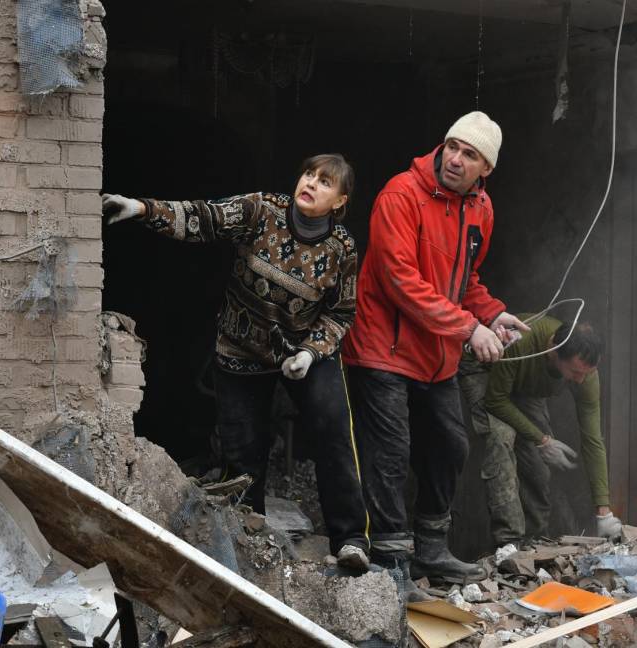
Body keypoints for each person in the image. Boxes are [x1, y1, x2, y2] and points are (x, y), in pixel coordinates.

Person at [100, 154, 370, 571]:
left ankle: (350, 540)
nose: (311, 183)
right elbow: (202, 218)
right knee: (243, 453)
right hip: (241, 349)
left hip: (304, 352)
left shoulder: (343, 249)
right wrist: (140, 209)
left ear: (340, 201)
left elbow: (341, 313)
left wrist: (310, 352)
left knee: (334, 431)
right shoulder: (261, 210)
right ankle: (251, 542)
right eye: (308, 174)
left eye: (325, 182)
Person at [342, 112, 529, 589]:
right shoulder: (400, 194)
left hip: (434, 352)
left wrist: (491, 314)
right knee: (390, 451)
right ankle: (389, 560)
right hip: (384, 346)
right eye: (452, 147)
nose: (456, 159)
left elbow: (464, 281)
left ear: (486, 168)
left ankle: (430, 549)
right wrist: (470, 330)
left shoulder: (481, 210)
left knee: (450, 445)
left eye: (470, 155)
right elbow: (400, 281)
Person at [458, 316, 623, 550]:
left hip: (526, 387)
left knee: (539, 467)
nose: (580, 380)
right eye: (575, 372)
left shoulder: (585, 373)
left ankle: (535, 541)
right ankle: (509, 545)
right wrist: (541, 439)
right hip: (485, 369)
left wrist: (603, 512)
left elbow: (592, 438)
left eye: (588, 372)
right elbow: (496, 400)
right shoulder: (521, 341)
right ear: (553, 350)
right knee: (501, 441)